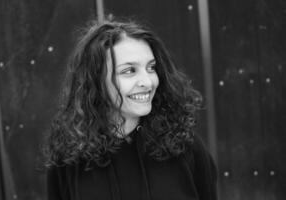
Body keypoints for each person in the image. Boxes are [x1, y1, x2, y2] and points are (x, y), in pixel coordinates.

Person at [44, 18, 217, 200]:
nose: (148, 82)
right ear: (95, 81)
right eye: (129, 71)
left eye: (151, 68)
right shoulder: (69, 160)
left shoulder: (184, 147)